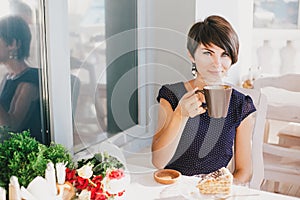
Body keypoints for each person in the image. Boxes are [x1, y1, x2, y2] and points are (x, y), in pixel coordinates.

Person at [151, 15, 256, 184]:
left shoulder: (241, 105)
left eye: (224, 54)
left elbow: (244, 171)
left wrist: (219, 189)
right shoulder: (171, 95)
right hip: (174, 186)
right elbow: (158, 161)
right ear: (191, 55)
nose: (217, 63)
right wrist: (180, 115)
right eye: (208, 53)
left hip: (214, 191)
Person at [0, 15, 42, 142]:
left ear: (13, 44)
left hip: (24, 155)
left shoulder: (29, 81)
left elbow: (11, 128)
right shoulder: (8, 77)